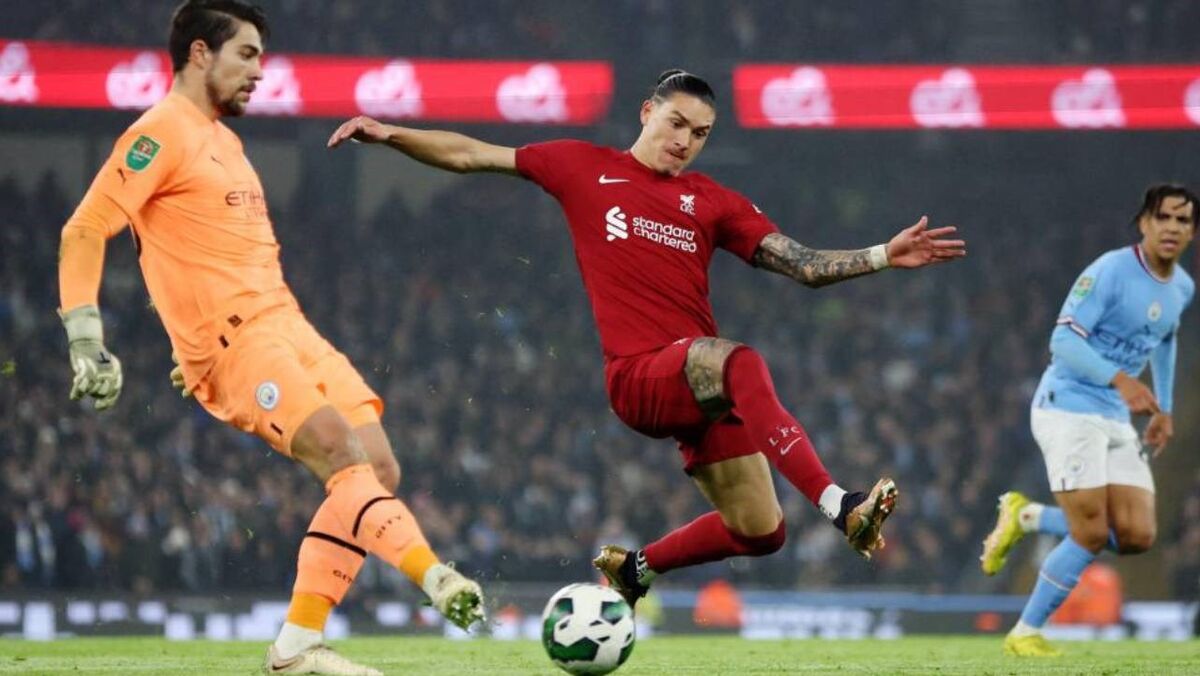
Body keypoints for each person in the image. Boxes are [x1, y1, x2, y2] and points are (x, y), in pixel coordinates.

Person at [328, 69, 965, 607]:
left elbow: (802, 265)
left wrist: (883, 254)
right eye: (676, 123)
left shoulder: (712, 201)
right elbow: (472, 154)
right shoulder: (581, 166)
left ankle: (636, 569)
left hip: (697, 385)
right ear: (647, 112)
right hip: (638, 377)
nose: (685, 141)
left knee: (762, 531)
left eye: (701, 133)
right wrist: (391, 134)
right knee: (739, 361)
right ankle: (841, 505)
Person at [56, 2, 483, 673]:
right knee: (337, 451)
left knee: (380, 467)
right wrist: (87, 337)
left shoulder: (224, 141)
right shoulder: (161, 130)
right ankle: (435, 576)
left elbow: (197, 250)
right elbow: (84, 229)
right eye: (247, 54)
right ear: (200, 53)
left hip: (285, 323)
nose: (260, 71)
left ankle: (295, 645)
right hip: (238, 341)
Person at [980, 184, 1195, 656]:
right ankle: (1025, 632)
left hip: (1115, 415)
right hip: (1068, 406)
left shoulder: (1182, 287)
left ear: (1192, 232)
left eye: (1183, 220)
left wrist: (1163, 408)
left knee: (1137, 535)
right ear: (1144, 223)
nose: (1172, 227)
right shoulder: (1110, 272)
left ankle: (1027, 516)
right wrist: (1121, 380)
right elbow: (1063, 342)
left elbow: (1165, 339)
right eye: (1163, 217)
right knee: (1092, 532)